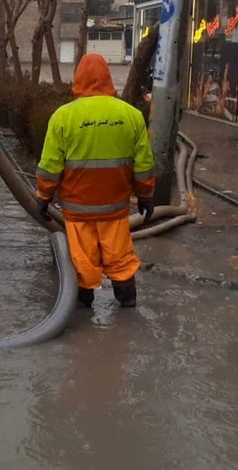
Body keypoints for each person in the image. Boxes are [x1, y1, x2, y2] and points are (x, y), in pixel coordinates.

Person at [34, 54, 155, 308]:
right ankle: (128, 300)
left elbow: (49, 167)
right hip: (115, 209)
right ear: (108, 80)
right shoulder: (131, 116)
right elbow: (144, 165)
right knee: (120, 255)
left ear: (77, 80)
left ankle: (82, 306)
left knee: (83, 260)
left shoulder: (63, 117)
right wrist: (146, 197)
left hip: (78, 212)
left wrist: (42, 198)